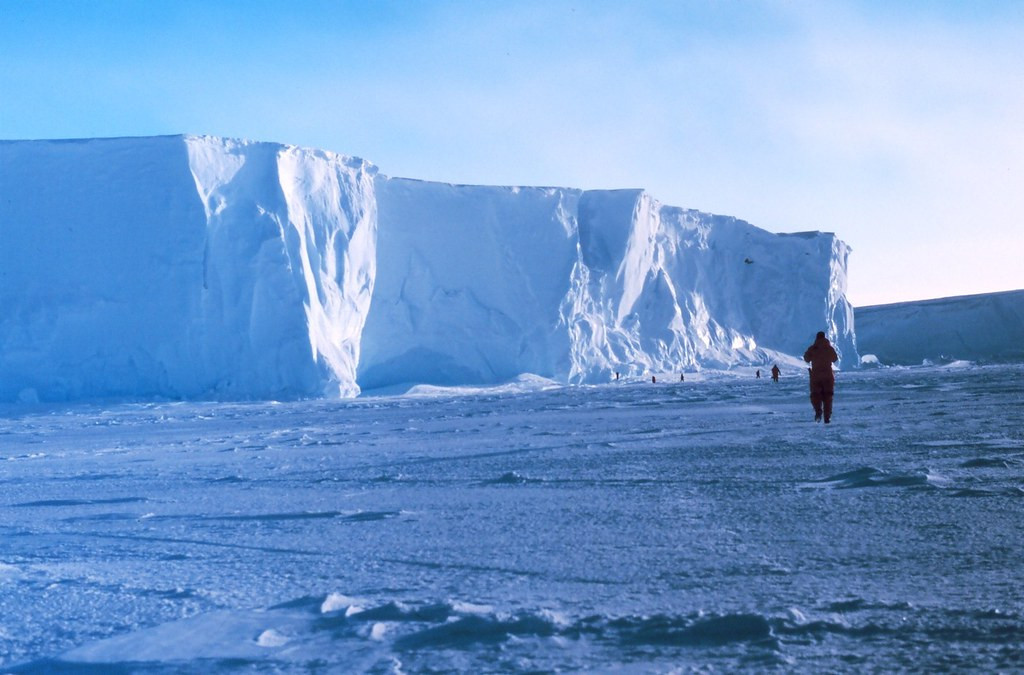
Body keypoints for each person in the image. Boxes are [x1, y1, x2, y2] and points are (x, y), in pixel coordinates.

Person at [803, 331, 838, 423]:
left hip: (816, 376)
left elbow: (806, 358)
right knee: (828, 396)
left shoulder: (813, 348)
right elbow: (835, 358)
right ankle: (827, 417)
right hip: (828, 375)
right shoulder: (829, 348)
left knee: (815, 395)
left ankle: (818, 411)